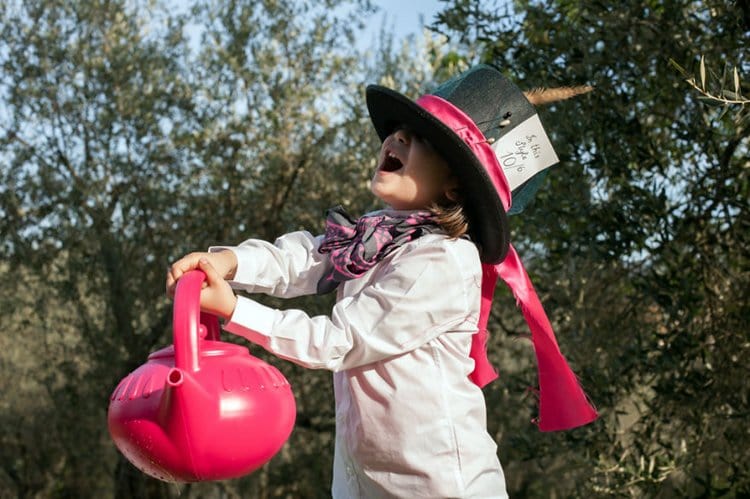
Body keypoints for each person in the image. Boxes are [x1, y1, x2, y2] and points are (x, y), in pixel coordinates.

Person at [166, 65, 597, 498]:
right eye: (399, 130)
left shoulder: (443, 260)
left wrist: (234, 309)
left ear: (454, 187)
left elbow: (340, 341)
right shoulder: (377, 234)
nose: (398, 137)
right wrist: (230, 261)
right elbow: (304, 259)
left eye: (422, 138)